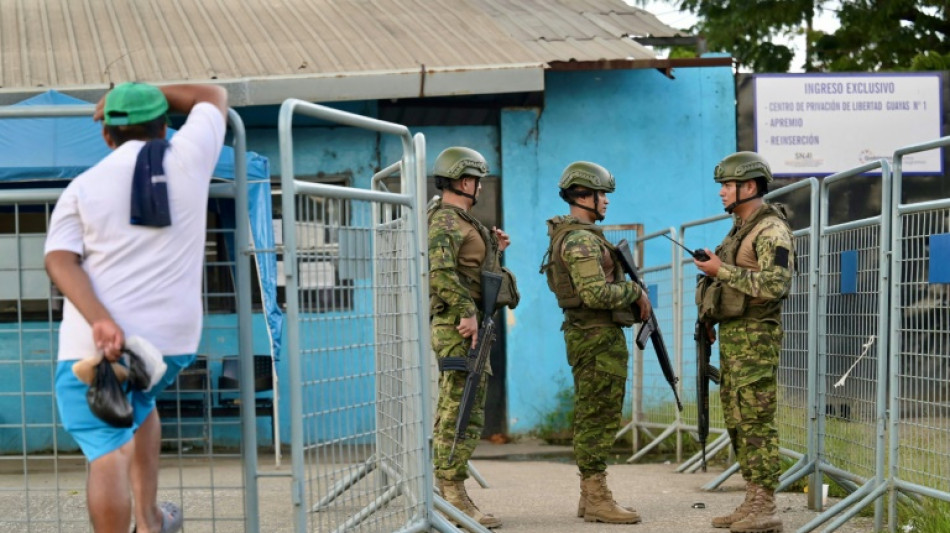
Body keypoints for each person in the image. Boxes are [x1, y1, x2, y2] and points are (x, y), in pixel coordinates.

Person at [45, 82, 228, 533]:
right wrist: (144, 93)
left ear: (107, 135)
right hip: (168, 345)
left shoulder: (82, 188)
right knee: (139, 405)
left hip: (95, 346)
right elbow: (212, 96)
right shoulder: (190, 159)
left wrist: (101, 320)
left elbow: (59, 259)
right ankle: (148, 522)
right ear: (165, 124)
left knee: (108, 449)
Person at [540, 161, 652, 524]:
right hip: (595, 337)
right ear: (582, 195)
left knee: (599, 412)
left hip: (596, 336)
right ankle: (597, 495)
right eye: (602, 194)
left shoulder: (582, 235)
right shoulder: (580, 240)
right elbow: (594, 293)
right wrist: (633, 289)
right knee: (597, 416)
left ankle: (591, 497)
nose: (606, 201)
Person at [694, 151, 794, 533]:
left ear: (749, 186)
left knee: (756, 421)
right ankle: (752, 497)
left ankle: (766, 505)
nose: (721, 193)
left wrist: (722, 270)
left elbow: (776, 284)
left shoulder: (771, 230)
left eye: (727, 185)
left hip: (756, 338)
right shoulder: (741, 228)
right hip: (736, 337)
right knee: (737, 420)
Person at [428, 146, 519, 529]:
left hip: (471, 325)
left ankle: (449, 490)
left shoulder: (464, 222)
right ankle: (452, 494)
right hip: (458, 327)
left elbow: (475, 274)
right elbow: (441, 272)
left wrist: (495, 250)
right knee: (460, 408)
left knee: (465, 404)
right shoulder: (447, 222)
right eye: (477, 180)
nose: (479, 187)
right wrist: (466, 313)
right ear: (465, 181)